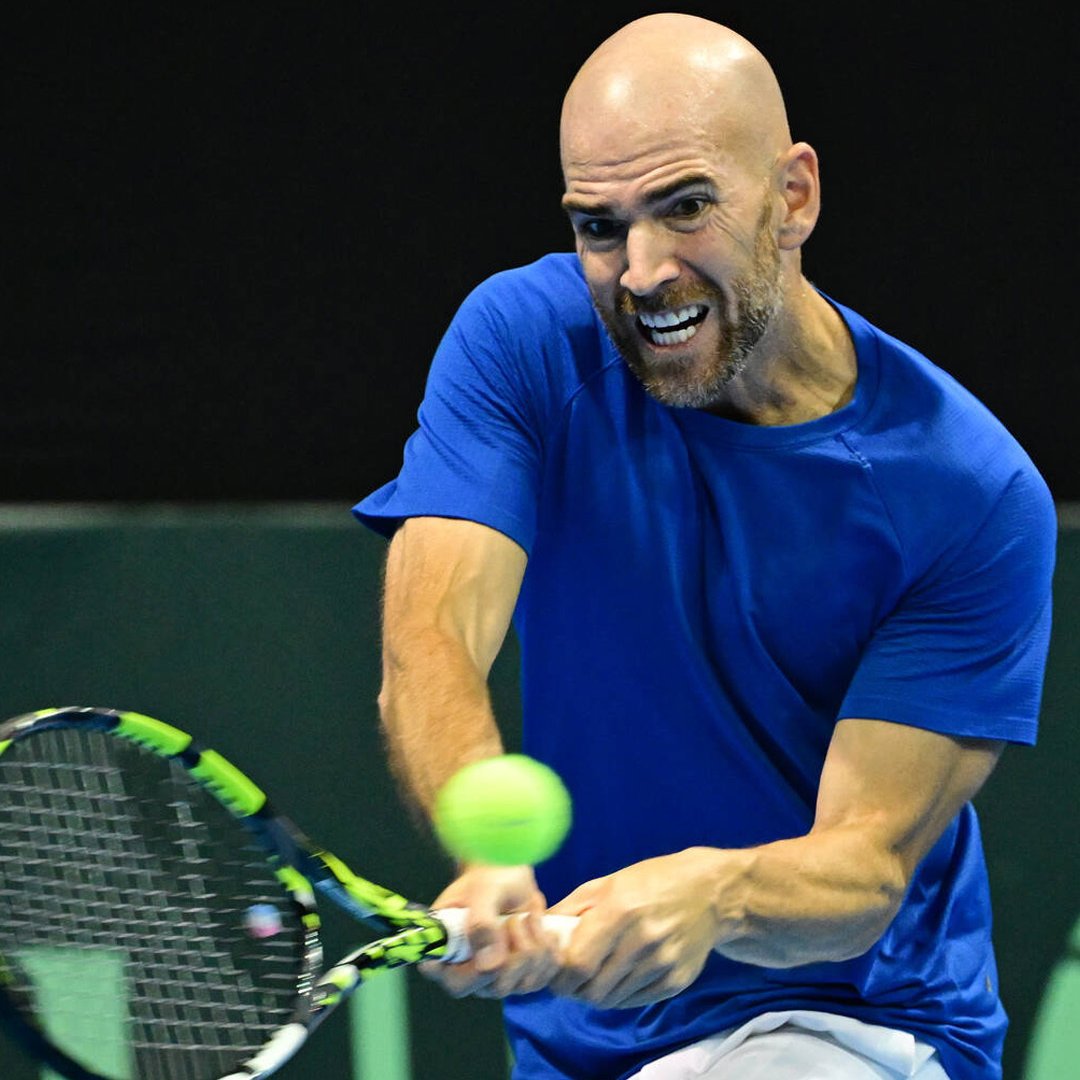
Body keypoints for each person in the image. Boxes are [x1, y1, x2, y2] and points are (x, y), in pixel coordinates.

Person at [353, 12, 1056, 1080]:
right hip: (582, 1039)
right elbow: (432, 642)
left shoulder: (968, 491)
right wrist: (490, 848)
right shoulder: (520, 341)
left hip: (853, 1025)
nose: (643, 272)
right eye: (600, 226)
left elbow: (862, 869)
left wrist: (714, 893)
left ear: (794, 196)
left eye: (685, 209)